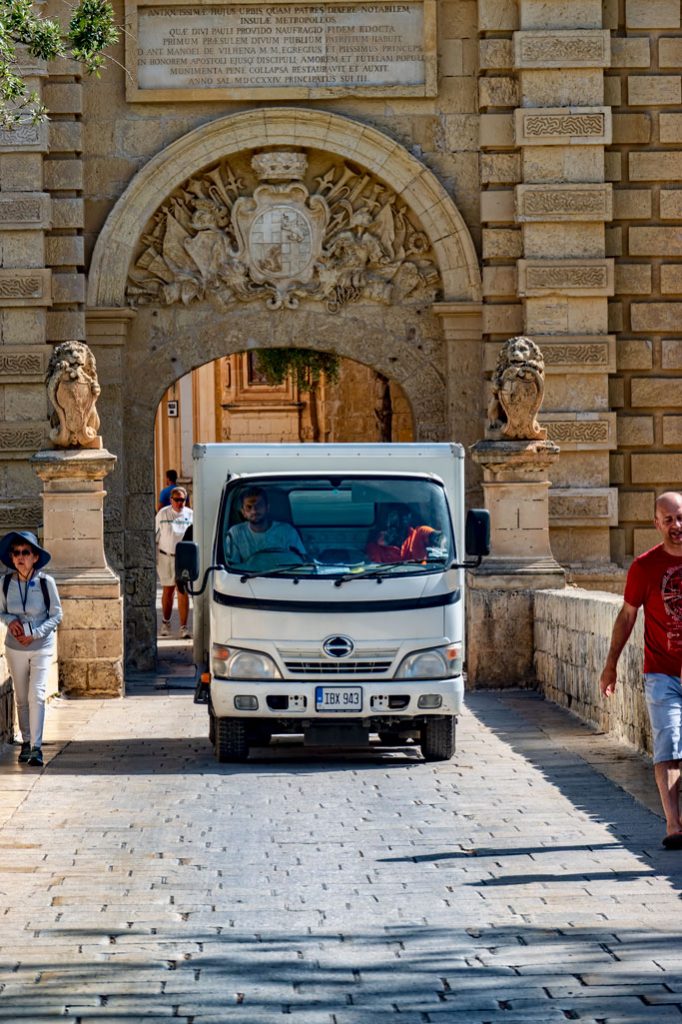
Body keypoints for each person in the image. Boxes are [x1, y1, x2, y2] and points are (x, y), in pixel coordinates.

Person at [599, 491, 682, 850]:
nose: (676, 526)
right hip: (661, 675)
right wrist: (610, 665)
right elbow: (627, 616)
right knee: (669, 746)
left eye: (680, 518)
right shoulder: (645, 567)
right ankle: (674, 825)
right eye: (668, 519)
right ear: (656, 523)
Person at [0, 531, 63, 767]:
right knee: (21, 697)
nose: (20, 557)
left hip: (41, 646)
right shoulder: (5, 583)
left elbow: (57, 615)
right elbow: (1, 610)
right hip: (15, 647)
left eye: (25, 552)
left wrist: (36, 633)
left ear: (35, 557)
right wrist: (10, 621)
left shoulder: (47, 583)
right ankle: (25, 743)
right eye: (16, 553)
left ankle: (37, 747)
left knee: (36, 694)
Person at [225, 487, 306, 568]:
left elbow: (302, 562)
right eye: (249, 507)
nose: (254, 511)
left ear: (267, 507)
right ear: (243, 512)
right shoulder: (235, 533)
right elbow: (233, 567)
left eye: (259, 505)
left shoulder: (287, 531)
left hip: (284, 577)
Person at [155, 486, 193, 638]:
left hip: (183, 558)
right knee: (168, 590)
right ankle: (166, 623)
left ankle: (184, 627)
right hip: (166, 556)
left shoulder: (191, 514)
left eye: (182, 500)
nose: (179, 503)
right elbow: (155, 534)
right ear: (171, 500)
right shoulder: (163, 513)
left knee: (182, 591)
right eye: (176, 500)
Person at [366, 505, 443, 564]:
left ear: (407, 522)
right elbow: (376, 572)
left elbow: (440, 538)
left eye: (401, 521)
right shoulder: (376, 545)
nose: (396, 527)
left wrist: (436, 539)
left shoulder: (419, 533)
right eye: (393, 525)